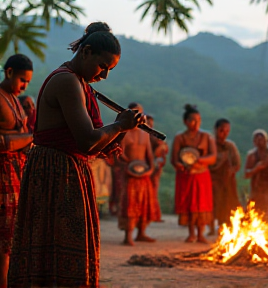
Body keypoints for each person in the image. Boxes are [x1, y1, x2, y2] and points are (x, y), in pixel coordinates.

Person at [8, 22, 145, 288]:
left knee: (69, 249)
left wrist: (124, 128)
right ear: (86, 52)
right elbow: (87, 140)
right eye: (102, 66)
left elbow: (100, 145)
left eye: (110, 70)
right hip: (54, 172)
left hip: (68, 171)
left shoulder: (80, 82)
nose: (104, 75)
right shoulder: (66, 80)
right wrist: (119, 125)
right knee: (55, 249)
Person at [0, 54, 33, 288]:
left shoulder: (14, 99)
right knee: (4, 237)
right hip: (2, 173)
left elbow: (13, 138)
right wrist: (31, 136)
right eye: (22, 80)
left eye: (28, 83)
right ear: (9, 72)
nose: (24, 86)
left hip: (16, 171)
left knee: (12, 236)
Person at [171, 104, 216, 244]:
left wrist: (199, 160)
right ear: (185, 121)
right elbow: (174, 159)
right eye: (192, 120)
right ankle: (191, 233)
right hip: (186, 175)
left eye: (198, 120)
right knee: (189, 203)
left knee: (201, 204)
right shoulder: (180, 137)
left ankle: (201, 233)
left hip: (202, 175)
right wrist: (181, 165)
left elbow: (213, 157)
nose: (195, 123)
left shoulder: (207, 136)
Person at [118, 102, 159, 246]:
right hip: (130, 173)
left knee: (144, 204)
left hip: (144, 173)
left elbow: (149, 154)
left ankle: (141, 233)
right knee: (130, 205)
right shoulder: (123, 133)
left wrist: (150, 168)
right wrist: (130, 165)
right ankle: (128, 236)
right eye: (134, 112)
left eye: (140, 113)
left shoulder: (145, 133)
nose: (138, 116)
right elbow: (120, 153)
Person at [209, 118, 241, 235]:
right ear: (216, 129)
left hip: (227, 181)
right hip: (212, 179)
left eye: (227, 130)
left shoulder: (230, 146)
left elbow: (237, 164)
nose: (224, 133)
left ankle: (225, 227)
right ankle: (211, 227)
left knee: (227, 204)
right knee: (213, 204)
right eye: (222, 130)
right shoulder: (210, 144)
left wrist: (230, 171)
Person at [244, 129, 268, 216]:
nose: (260, 142)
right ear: (254, 142)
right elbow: (246, 174)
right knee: (256, 212)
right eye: (257, 140)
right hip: (257, 188)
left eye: (262, 139)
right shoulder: (251, 155)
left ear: (266, 140)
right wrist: (256, 169)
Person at [146, 114, 168, 222]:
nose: (149, 125)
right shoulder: (142, 134)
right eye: (147, 123)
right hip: (143, 166)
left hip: (155, 165)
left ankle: (155, 214)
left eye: (151, 123)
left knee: (153, 190)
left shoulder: (154, 135)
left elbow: (163, 149)